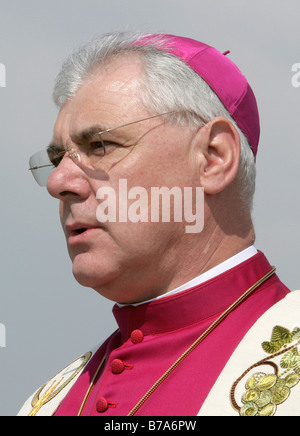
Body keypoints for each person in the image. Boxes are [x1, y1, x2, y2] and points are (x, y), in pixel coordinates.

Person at [19, 32, 300, 417]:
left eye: (100, 145)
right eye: (56, 159)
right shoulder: (46, 404)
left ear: (213, 158)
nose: (58, 182)